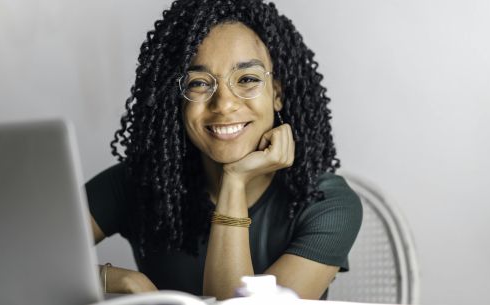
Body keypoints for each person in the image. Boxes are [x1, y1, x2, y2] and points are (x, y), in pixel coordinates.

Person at [85, 0, 362, 300]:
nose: (224, 104)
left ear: (277, 94)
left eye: (247, 79)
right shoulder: (137, 182)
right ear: (176, 99)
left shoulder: (327, 204)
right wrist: (118, 280)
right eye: (200, 83)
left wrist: (234, 181)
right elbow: (30, 254)